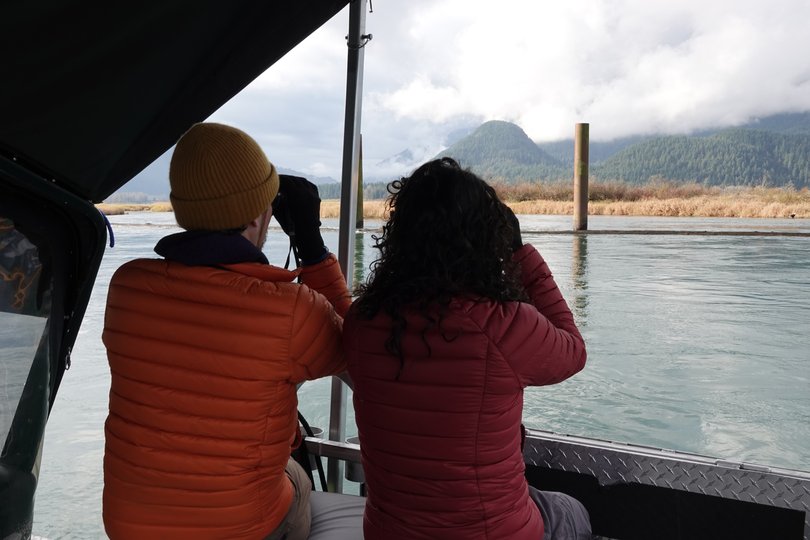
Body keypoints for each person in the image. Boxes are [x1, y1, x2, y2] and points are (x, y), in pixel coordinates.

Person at [102, 122, 351, 539]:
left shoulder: (127, 286)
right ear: (259, 213)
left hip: (131, 524)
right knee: (298, 477)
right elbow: (360, 348)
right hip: (239, 529)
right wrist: (311, 245)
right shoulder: (290, 310)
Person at [343, 157, 591, 540]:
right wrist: (523, 255)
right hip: (492, 533)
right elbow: (573, 351)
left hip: (388, 532)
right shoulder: (503, 324)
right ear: (486, 239)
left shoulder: (362, 321)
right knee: (572, 511)